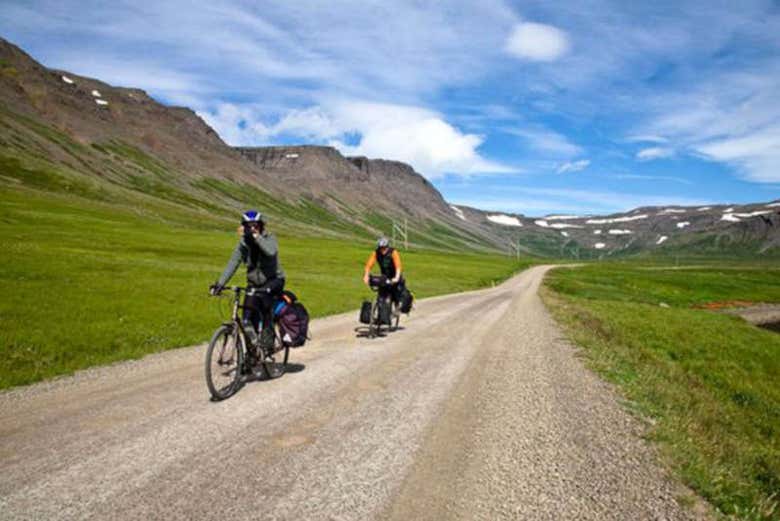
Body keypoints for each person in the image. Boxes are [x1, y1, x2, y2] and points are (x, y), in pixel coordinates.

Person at [210, 210, 285, 354]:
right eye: (248, 226)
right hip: (254, 284)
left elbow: (270, 252)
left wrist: (256, 237)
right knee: (246, 320)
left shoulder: (270, 238)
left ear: (261, 226)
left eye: (255, 225)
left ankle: (268, 344)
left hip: (274, 281)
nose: (252, 229)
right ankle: (251, 356)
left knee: (265, 311)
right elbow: (233, 262)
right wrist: (220, 284)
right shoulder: (243, 244)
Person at [363, 236, 404, 306]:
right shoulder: (376, 253)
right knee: (382, 291)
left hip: (394, 275)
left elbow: (398, 266)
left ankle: (398, 305)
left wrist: (396, 277)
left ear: (387, 247)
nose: (382, 250)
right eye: (380, 248)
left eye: (384, 248)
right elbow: (369, 265)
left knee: (396, 291)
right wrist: (366, 275)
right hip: (385, 275)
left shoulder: (393, 252)